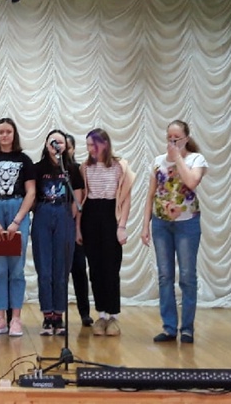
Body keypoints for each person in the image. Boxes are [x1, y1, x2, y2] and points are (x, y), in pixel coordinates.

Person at [141, 120, 208, 344]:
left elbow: (191, 182)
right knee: (164, 275)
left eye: (177, 138)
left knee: (187, 276)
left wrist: (178, 157)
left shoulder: (196, 160)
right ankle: (169, 327)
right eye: (169, 137)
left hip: (187, 224)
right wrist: (145, 225)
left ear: (186, 139)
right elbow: (151, 194)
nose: (172, 141)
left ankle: (187, 328)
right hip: (161, 224)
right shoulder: (158, 161)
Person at [0, 118, 35, 337]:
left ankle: (16, 319)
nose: (4, 135)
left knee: (17, 269)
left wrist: (17, 220)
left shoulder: (24, 160)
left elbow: (31, 192)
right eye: (1, 131)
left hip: (17, 210)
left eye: (8, 131)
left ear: (14, 134)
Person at [80, 128, 132, 336]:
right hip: (91, 215)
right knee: (95, 268)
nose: (91, 149)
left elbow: (126, 199)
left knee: (111, 267)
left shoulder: (120, 166)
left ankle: (113, 316)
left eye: (94, 145)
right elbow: (82, 199)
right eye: (88, 145)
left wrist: (122, 226)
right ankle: (101, 315)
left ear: (105, 144)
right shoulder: (85, 167)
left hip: (111, 215)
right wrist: (79, 228)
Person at [32, 129, 84, 336]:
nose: (56, 145)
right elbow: (32, 195)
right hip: (43, 214)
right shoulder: (38, 168)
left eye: (60, 142)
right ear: (46, 145)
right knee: (44, 268)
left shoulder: (72, 169)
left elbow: (77, 198)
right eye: (52, 141)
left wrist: (69, 219)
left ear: (66, 146)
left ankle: (59, 315)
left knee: (61, 269)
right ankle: (47, 315)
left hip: (64, 215)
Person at [66, 131, 93, 327]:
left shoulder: (78, 170)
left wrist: (78, 228)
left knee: (79, 270)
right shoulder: (49, 169)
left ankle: (85, 312)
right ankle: (55, 314)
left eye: (67, 147)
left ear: (73, 149)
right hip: (55, 225)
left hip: (76, 225)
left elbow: (83, 199)